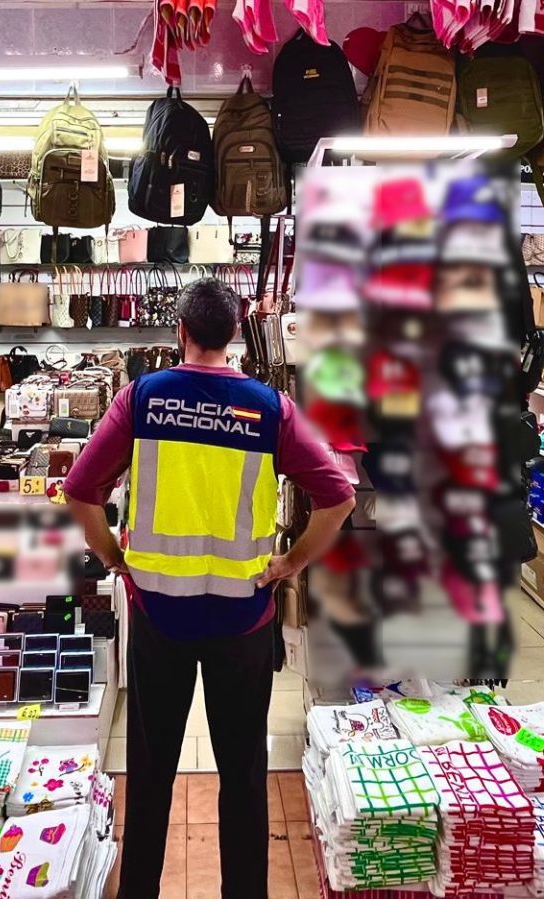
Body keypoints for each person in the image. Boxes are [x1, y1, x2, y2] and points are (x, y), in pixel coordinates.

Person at [64, 278, 355, 899]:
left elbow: (80, 489)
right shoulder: (270, 408)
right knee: (243, 774)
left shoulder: (142, 398)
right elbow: (338, 497)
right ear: (237, 335)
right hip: (242, 620)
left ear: (181, 332)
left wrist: (113, 557)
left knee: (150, 772)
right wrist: (290, 563)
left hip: (158, 617)